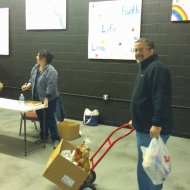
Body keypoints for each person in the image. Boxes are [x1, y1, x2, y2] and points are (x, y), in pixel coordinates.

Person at [129, 38, 173, 190]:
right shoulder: (144, 68)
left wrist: (157, 123)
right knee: (145, 165)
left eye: (142, 49)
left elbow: (161, 98)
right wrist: (134, 118)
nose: (138, 53)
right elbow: (143, 98)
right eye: (135, 50)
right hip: (144, 127)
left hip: (152, 129)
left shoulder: (157, 69)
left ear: (152, 51)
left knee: (150, 168)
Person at [21, 49, 60, 149]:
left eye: (38, 56)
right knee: (41, 118)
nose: (36, 57)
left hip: (49, 99)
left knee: (50, 119)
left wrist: (46, 97)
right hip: (36, 98)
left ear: (44, 59)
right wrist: (28, 85)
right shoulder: (35, 67)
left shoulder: (51, 71)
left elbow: (51, 86)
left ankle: (56, 139)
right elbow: (32, 79)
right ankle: (43, 137)